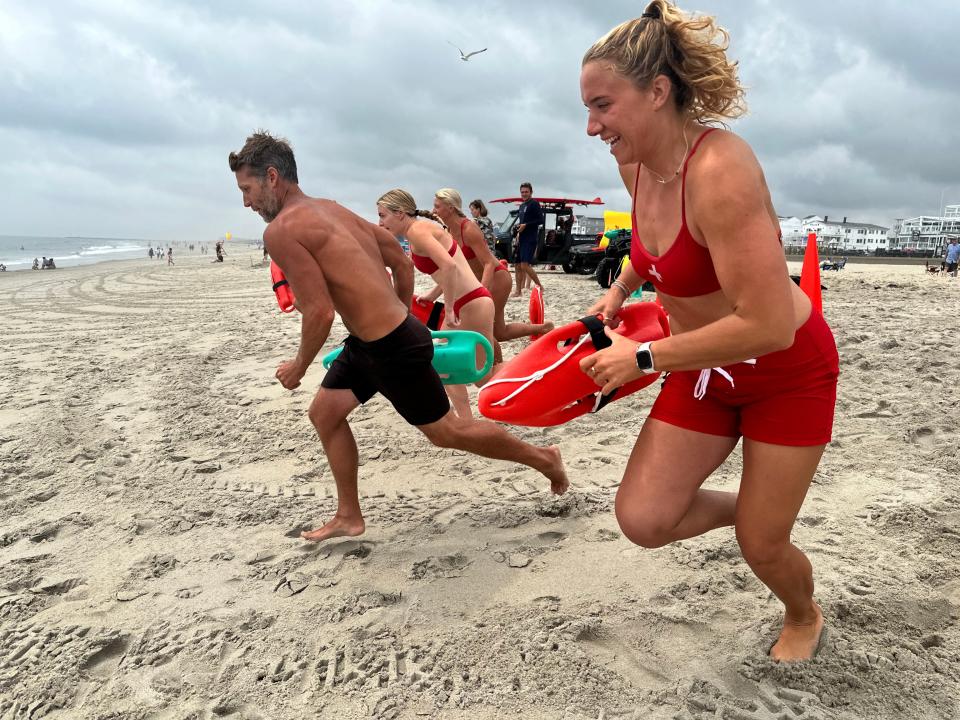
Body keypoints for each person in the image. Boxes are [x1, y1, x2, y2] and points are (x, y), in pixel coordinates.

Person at [578, 0, 838, 662]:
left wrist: (644, 355)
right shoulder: (633, 164)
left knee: (764, 546)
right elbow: (652, 248)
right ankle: (751, 509)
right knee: (644, 519)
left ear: (657, 91)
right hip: (703, 369)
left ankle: (803, 614)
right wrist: (618, 292)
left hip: (786, 371)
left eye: (603, 106)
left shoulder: (721, 170)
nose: (590, 126)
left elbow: (771, 324)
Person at [228, 131, 568, 543]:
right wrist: (400, 313)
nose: (246, 201)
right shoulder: (332, 210)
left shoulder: (281, 231)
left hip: (390, 348)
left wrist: (299, 365)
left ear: (271, 176)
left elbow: (319, 311)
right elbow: (398, 259)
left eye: (247, 189)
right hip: (371, 345)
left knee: (448, 433)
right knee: (325, 414)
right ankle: (349, 516)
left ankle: (545, 459)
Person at [378, 188, 497, 421]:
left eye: (383, 215)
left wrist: (450, 308)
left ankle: (467, 422)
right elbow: (449, 271)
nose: (380, 222)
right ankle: (466, 421)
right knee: (465, 370)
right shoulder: (420, 230)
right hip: (472, 301)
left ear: (400, 213)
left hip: (471, 303)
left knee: (461, 369)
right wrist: (432, 296)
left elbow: (450, 268)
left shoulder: (418, 232)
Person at [434, 189, 553, 354]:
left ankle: (496, 369)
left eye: (437, 207)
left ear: (450, 208)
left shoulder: (468, 229)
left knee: (484, 330)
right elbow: (452, 269)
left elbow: (489, 263)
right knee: (500, 332)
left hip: (497, 278)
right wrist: (432, 295)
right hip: (479, 283)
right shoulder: (447, 232)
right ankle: (542, 328)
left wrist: (480, 292)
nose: (434, 211)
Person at [511, 182, 544, 297]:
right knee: (517, 265)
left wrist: (527, 225)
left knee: (525, 265)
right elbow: (521, 223)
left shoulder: (534, 204)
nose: (524, 194)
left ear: (531, 192)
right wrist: (518, 232)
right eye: (522, 192)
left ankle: (540, 286)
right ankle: (518, 291)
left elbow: (540, 220)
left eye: (526, 192)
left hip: (530, 238)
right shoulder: (522, 206)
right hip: (522, 238)